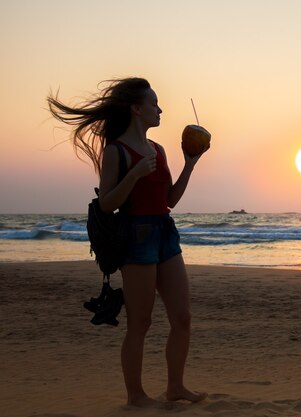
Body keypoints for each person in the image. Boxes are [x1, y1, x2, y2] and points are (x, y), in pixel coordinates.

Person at [48, 77, 209, 407]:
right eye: (154, 103)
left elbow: (170, 200)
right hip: (136, 237)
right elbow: (107, 203)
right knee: (141, 322)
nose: (160, 109)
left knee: (183, 317)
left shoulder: (159, 149)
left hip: (165, 232)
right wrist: (134, 174)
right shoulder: (116, 151)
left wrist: (189, 165)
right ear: (137, 109)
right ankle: (136, 395)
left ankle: (175, 386)